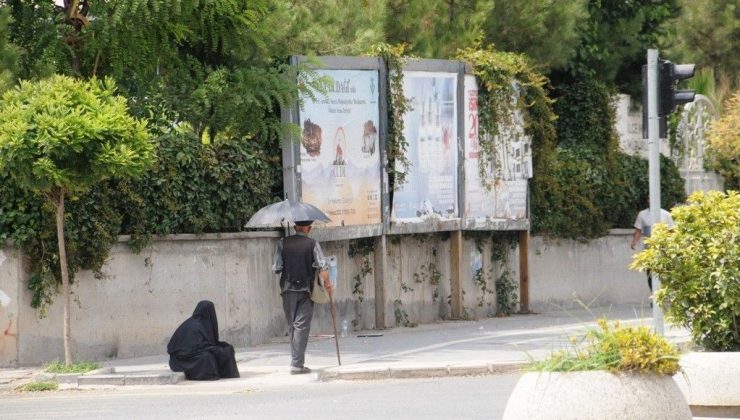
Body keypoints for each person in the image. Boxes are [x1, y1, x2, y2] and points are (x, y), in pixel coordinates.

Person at [272, 220, 333, 375]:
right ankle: (297, 364)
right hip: (306, 289)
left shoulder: (282, 243)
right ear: (309, 228)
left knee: (293, 325)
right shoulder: (313, 244)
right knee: (301, 326)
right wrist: (328, 285)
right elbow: (323, 266)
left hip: (287, 289)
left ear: (294, 227)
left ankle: (296, 362)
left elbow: (277, 268)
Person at [167, 300, 240, 380]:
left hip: (192, 353)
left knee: (227, 348)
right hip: (181, 360)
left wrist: (219, 348)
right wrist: (216, 350)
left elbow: (207, 344)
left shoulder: (203, 323)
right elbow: (196, 347)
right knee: (207, 357)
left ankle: (227, 374)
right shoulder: (194, 325)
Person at [630, 206, 675, 291]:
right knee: (650, 274)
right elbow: (638, 230)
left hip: (663, 250)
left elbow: (671, 231)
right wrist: (634, 242)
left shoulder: (665, 214)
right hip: (649, 251)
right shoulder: (642, 214)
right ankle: (654, 295)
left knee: (664, 273)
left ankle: (664, 294)